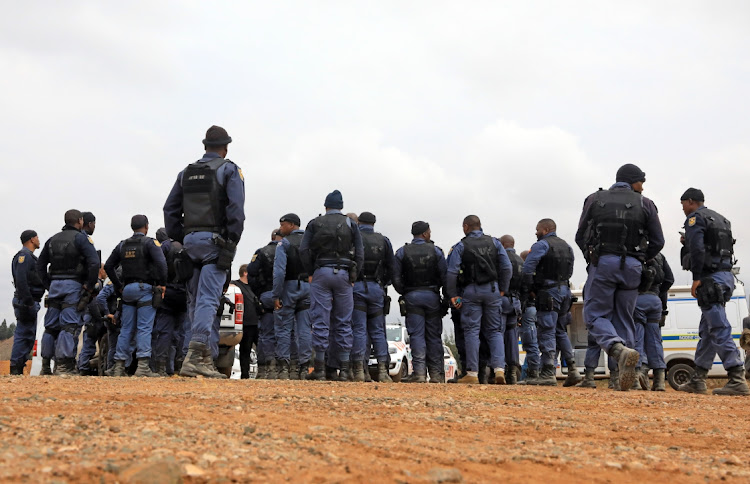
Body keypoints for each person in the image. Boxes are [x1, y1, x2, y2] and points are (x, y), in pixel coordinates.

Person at [163, 125, 245, 379]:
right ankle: (197, 356)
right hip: (215, 242)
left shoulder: (185, 172)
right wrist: (230, 244)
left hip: (190, 241)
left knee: (195, 302)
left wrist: (180, 239)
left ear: (204, 146)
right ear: (226, 147)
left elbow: (170, 210)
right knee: (209, 299)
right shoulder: (229, 169)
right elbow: (236, 210)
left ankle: (204, 361)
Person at [575, 164, 664, 391]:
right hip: (632, 267)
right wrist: (642, 259)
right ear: (632, 181)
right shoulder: (646, 204)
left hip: (604, 263)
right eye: (641, 182)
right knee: (625, 319)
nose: (642, 187)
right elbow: (658, 241)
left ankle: (617, 349)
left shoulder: (594, 199)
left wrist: (591, 256)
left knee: (595, 315)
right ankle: (632, 376)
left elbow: (580, 235)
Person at [677, 188, 749, 396]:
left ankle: (736, 377)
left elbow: (699, 250)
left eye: (683, 204)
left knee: (718, 327)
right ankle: (698, 379)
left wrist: (696, 278)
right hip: (726, 277)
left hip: (710, 279)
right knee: (708, 330)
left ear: (691, 201)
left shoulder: (695, 219)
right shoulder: (721, 219)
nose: (682, 209)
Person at [300, 190, 364, 381]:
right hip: (344, 274)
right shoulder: (350, 223)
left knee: (320, 320)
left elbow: (304, 249)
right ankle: (344, 370)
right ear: (341, 206)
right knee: (344, 321)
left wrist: (310, 272)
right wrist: (354, 276)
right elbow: (360, 253)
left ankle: (319, 369)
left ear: (325, 205)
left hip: (321, 273)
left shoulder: (315, 223)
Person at [446, 215, 512, 384]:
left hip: (471, 291)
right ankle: (499, 370)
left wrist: (453, 294)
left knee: (471, 331)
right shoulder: (495, 243)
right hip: (492, 290)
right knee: (495, 331)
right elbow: (506, 267)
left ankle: (472, 373)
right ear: (480, 226)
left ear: (466, 226)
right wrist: (503, 289)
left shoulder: (461, 246)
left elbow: (452, 271)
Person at [36, 209, 100, 375]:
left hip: (55, 285)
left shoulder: (52, 239)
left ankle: (45, 366)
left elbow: (40, 265)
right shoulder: (81, 239)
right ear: (79, 221)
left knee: (50, 327)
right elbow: (94, 263)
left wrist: (48, 284)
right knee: (69, 326)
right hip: (73, 285)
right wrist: (89, 286)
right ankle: (64, 366)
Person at [104, 215, 167, 377]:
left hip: (127, 291)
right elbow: (161, 264)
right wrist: (161, 284)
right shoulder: (150, 243)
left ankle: (118, 366)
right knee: (144, 328)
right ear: (146, 226)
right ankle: (143, 367)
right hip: (145, 289)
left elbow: (109, 265)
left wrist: (118, 286)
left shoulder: (122, 245)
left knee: (126, 328)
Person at [521, 219, 577, 386]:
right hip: (565, 291)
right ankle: (573, 369)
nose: (536, 232)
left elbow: (527, 269)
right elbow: (571, 269)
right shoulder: (567, 246)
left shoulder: (541, 245)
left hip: (548, 293)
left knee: (547, 331)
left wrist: (530, 289)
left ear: (545, 229)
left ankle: (548, 372)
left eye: (538, 229)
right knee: (560, 331)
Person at [393, 221, 447, 383]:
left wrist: (405, 291)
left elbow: (395, 278)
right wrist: (445, 299)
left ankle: (419, 373)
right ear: (424, 234)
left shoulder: (402, 252)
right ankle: (437, 375)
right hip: (432, 296)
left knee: (416, 335)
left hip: (412, 296)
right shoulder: (436, 252)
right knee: (434, 336)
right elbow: (445, 276)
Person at [352, 211, 394, 383]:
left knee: (359, 330)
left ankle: (359, 371)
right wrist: (383, 284)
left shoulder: (354, 238)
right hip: (377, 289)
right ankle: (383, 371)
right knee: (377, 331)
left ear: (359, 222)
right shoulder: (383, 241)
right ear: (374, 223)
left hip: (357, 287)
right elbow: (392, 267)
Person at [272, 213, 312, 380]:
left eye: (283, 225)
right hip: (308, 287)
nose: (281, 229)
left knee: (283, 328)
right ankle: (304, 367)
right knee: (305, 329)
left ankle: (284, 368)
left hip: (289, 286)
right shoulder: (311, 242)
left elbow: (279, 272)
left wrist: (276, 295)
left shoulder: (284, 244)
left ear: (291, 225)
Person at [631, 253, 674, 391]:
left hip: (637, 299)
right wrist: (659, 293)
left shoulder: (633, 252)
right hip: (656, 301)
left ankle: (636, 378)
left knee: (637, 339)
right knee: (655, 340)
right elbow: (669, 279)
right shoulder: (660, 256)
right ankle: (659, 381)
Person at [150, 228, 188, 376]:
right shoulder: (186, 246)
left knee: (164, 331)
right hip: (184, 294)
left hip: (168, 292)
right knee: (181, 333)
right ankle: (178, 366)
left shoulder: (164, 247)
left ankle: (160, 368)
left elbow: (157, 267)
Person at [248, 229, 283, 379]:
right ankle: (287, 367)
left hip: (267, 295)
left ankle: (265, 366)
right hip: (286, 296)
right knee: (287, 332)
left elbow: (251, 272)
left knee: (266, 333)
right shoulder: (290, 249)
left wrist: (258, 292)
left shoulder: (262, 252)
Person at [9, 230, 45, 375]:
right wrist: (29, 302)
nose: (38, 239)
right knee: (23, 335)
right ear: (31, 239)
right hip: (26, 302)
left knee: (28, 336)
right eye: (37, 237)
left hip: (29, 301)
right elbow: (21, 280)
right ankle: (15, 368)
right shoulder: (24, 257)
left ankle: (18, 366)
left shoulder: (31, 257)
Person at [499, 235, 523, 384]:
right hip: (516, 301)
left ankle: (500, 367)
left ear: (502, 244)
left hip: (502, 299)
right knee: (513, 337)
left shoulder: (500, 258)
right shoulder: (521, 260)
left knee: (498, 335)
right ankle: (513, 371)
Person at [232, 264, 259, 379]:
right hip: (245, 323)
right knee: (245, 350)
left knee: (259, 348)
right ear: (245, 273)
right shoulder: (236, 285)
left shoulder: (255, 287)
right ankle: (244, 375)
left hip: (256, 322)